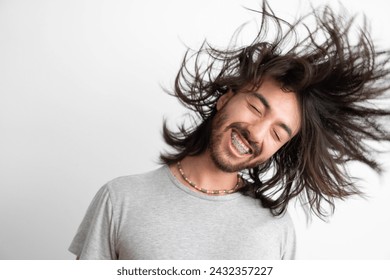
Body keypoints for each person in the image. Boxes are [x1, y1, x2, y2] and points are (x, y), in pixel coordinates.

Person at [69, 0, 390, 259]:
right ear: (226, 98)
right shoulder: (121, 199)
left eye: (278, 133)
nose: (257, 132)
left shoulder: (275, 229)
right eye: (255, 108)